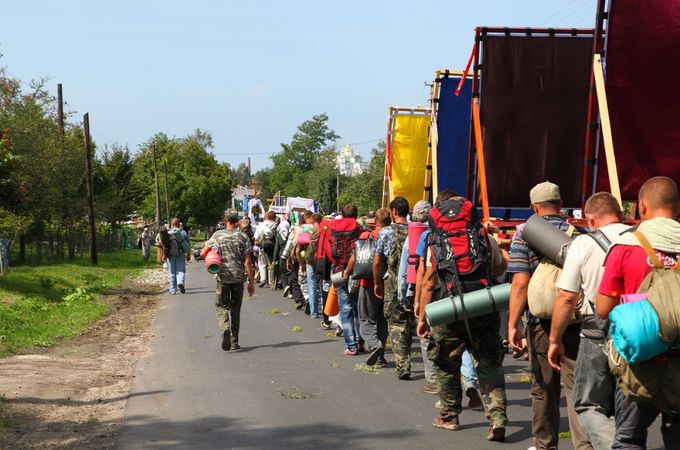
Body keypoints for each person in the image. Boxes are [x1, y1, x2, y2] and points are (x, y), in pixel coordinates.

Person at [596, 176, 680, 449]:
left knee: (629, 440)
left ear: (641, 207)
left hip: (637, 364)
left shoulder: (624, 247)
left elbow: (603, 309)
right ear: (677, 208)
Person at [417, 192, 508, 441]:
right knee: (488, 363)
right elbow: (500, 267)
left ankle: (449, 417)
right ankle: (497, 417)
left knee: (446, 365)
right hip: (482, 305)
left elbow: (428, 282)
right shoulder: (483, 237)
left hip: (448, 309)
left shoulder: (435, 240)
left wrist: (423, 318)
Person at [507, 181, 590, 450]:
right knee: (577, 387)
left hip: (540, 322)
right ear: (560, 202)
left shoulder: (524, 236)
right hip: (576, 320)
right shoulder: (579, 234)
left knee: (543, 387)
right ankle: (584, 445)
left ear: (534, 207)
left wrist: (512, 325)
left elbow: (520, 283)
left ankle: (544, 445)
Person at [547, 192, 628, 450]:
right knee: (628, 405)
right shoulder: (640, 238)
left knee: (591, 404)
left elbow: (566, 298)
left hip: (597, 331)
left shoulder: (584, 244)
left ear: (590, 219)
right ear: (620, 213)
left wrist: (554, 339)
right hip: (639, 330)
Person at [205, 208, 255, 352]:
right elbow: (247, 262)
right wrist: (251, 282)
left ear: (225, 220)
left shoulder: (217, 235)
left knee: (221, 306)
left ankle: (225, 328)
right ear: (237, 220)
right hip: (239, 277)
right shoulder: (243, 237)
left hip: (223, 277)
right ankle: (234, 342)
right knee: (235, 309)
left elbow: (203, 253)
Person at [374, 196, 412, 379]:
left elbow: (377, 261)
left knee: (396, 324)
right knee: (411, 320)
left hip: (393, 282)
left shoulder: (386, 232)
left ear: (394, 212)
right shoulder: (418, 230)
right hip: (413, 281)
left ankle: (403, 363)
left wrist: (377, 283)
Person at [348, 208, 389, 366]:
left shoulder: (365, 235)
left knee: (366, 319)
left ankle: (374, 345)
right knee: (382, 322)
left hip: (368, 283)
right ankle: (380, 357)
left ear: (375, 222)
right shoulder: (391, 235)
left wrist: (346, 274)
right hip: (386, 284)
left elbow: (355, 258)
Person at [329, 204, 364, 355]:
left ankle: (351, 345)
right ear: (355, 215)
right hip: (356, 270)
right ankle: (360, 341)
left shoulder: (333, 227)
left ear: (342, 215)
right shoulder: (358, 227)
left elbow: (328, 249)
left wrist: (336, 263)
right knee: (357, 306)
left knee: (345, 308)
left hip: (338, 270)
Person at [163, 218, 190, 295]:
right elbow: (187, 244)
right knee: (181, 270)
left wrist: (164, 255)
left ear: (171, 224)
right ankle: (180, 282)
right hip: (181, 254)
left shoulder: (168, 233)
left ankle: (173, 290)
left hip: (170, 255)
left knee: (171, 272)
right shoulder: (183, 233)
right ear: (179, 224)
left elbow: (165, 245)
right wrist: (188, 255)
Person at [254, 211, 277, 288]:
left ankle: (263, 279)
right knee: (270, 262)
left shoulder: (261, 225)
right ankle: (271, 280)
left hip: (262, 246)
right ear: (274, 217)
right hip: (272, 245)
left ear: (266, 217)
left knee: (262, 263)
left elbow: (256, 237)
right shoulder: (275, 224)